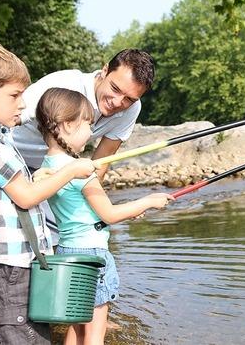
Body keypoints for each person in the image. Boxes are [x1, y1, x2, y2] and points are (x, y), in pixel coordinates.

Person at [0, 49, 156, 343]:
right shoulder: (57, 88)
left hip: (49, 172)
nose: (118, 103)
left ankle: (65, 310)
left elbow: (102, 160)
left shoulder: (128, 109)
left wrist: (86, 204)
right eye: (115, 90)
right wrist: (67, 173)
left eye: (129, 99)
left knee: (47, 243)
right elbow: (0, 121)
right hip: (11, 160)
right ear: (103, 71)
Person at [0, 36, 97, 344]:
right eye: (15, 95)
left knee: (33, 335)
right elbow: (25, 197)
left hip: (19, 262)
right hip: (8, 265)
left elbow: (15, 192)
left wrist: (41, 177)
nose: (23, 103)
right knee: (20, 336)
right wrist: (70, 170)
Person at [35, 87, 173, 344]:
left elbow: (89, 214)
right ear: (66, 125)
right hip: (93, 255)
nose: (91, 130)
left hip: (66, 252)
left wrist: (131, 211)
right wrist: (148, 201)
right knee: (96, 329)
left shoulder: (46, 169)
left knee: (76, 326)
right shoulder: (81, 172)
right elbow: (109, 214)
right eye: (87, 123)